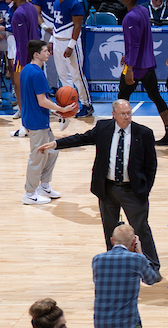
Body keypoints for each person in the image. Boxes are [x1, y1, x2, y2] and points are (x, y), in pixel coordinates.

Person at [43, 96, 160, 267]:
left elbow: (151, 166)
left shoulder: (144, 133)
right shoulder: (103, 128)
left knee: (141, 229)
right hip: (108, 189)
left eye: (129, 113)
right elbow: (81, 138)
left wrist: (144, 188)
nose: (127, 117)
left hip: (132, 191)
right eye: (123, 114)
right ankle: (115, 266)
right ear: (114, 114)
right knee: (110, 231)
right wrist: (55, 144)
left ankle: (152, 267)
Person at [114, 0, 168, 143]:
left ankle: (121, 133)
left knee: (121, 98)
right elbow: (139, 39)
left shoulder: (130, 17)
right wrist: (127, 54)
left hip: (136, 66)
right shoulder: (143, 10)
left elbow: (134, 44)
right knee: (156, 96)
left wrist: (130, 67)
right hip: (148, 63)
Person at [20, 39, 75, 205]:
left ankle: (44, 186)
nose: (48, 53)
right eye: (45, 51)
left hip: (34, 118)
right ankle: (30, 194)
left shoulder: (26, 69)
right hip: (37, 122)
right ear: (36, 54)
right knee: (37, 157)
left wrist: (55, 112)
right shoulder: (37, 73)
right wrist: (62, 109)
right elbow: (42, 101)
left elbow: (36, 99)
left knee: (52, 151)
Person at [48, 0, 92, 116]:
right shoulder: (56, 2)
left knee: (77, 75)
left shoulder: (74, 3)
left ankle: (87, 105)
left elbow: (78, 26)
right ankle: (70, 104)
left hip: (70, 42)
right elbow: (56, 24)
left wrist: (71, 45)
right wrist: (51, 40)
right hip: (58, 41)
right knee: (62, 75)